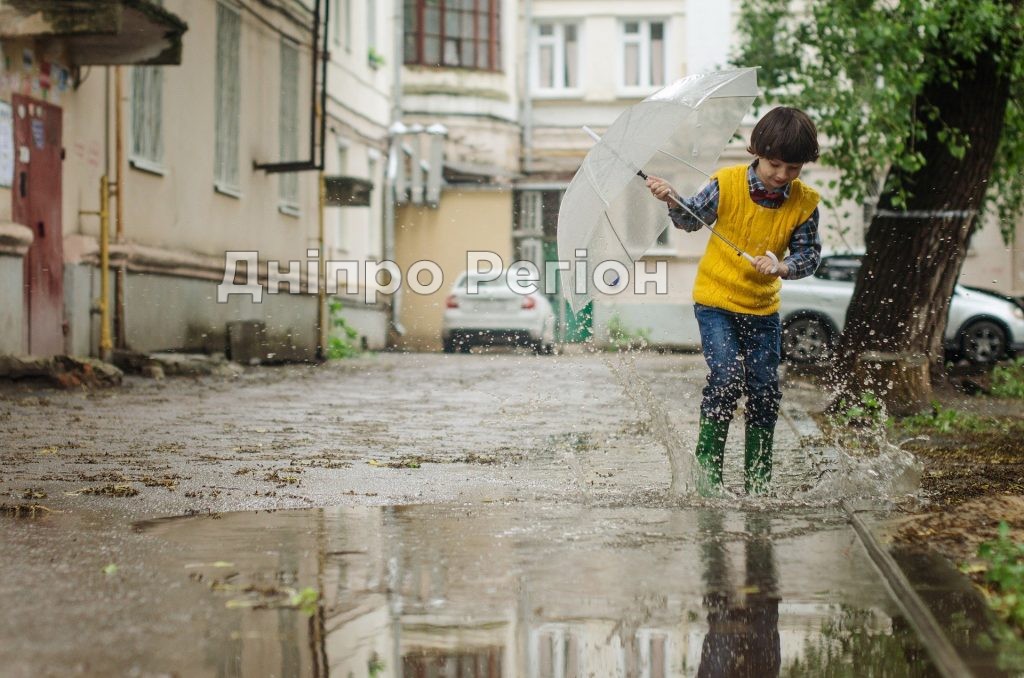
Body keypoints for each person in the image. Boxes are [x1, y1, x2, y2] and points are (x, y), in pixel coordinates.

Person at [646, 106, 822, 495]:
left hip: (763, 309)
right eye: (775, 164)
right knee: (725, 379)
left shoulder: (805, 203)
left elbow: (809, 256)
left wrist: (784, 266)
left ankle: (758, 483)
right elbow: (691, 220)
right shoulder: (726, 184)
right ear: (756, 151)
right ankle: (708, 481)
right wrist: (672, 199)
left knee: (763, 389)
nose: (782, 175)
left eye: (793, 168)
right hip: (716, 303)